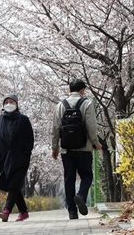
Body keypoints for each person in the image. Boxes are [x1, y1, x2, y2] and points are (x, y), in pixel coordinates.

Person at [51, 79, 103, 219]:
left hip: (66, 149)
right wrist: (95, 142)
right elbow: (91, 126)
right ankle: (81, 195)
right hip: (84, 148)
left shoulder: (61, 105)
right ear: (82, 90)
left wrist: (54, 146)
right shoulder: (86, 103)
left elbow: (55, 128)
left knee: (69, 178)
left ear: (69, 90)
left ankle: (72, 212)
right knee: (87, 175)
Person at [0, 94, 34, 222]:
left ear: (16, 104)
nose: (9, 104)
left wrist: (26, 153)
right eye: (7, 102)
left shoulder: (24, 120)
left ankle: (6, 210)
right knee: (13, 185)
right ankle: (23, 211)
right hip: (4, 160)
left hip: (20, 158)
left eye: (12, 102)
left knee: (14, 184)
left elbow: (30, 139)